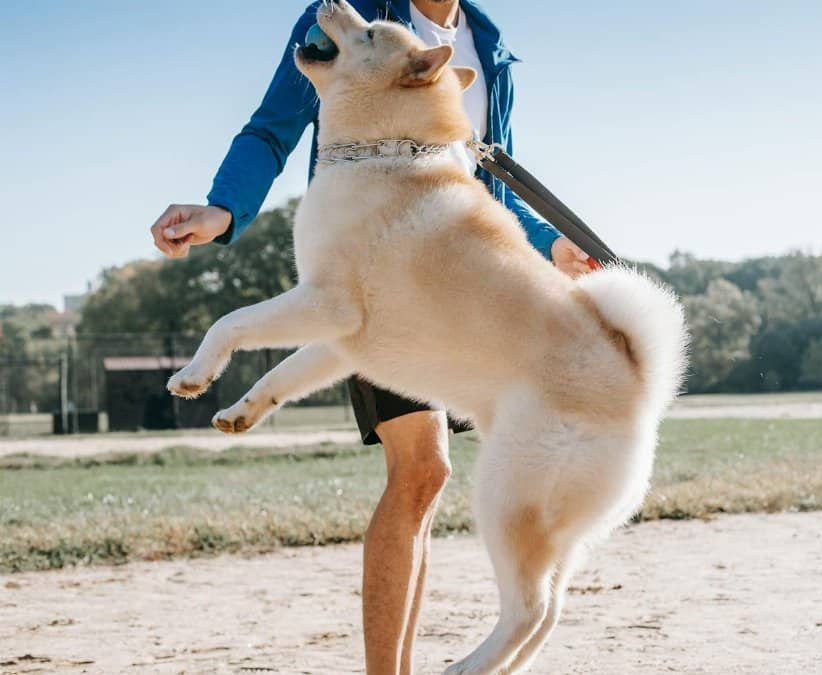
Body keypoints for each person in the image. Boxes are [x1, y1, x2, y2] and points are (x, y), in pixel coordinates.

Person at [148, 1, 591, 673]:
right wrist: (222, 209)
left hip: (453, 287)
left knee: (428, 477)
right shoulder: (352, 20)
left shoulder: (489, 48)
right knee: (421, 465)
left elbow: (489, 182)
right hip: (372, 269)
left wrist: (551, 243)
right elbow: (273, 128)